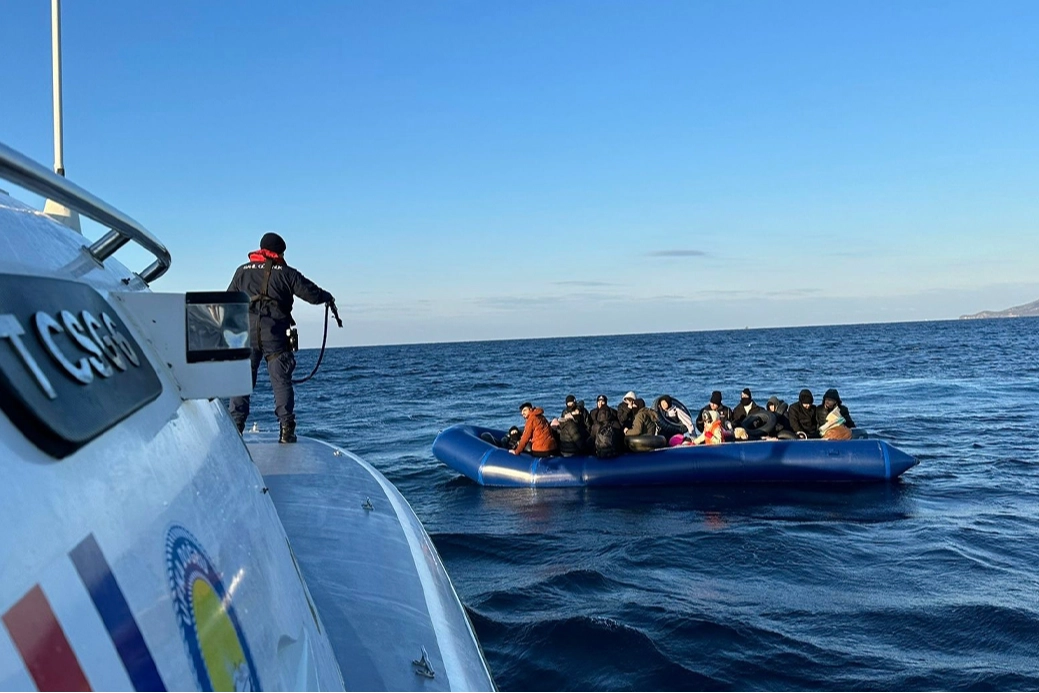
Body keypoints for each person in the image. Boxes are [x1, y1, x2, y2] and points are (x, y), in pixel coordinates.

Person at [227, 232, 337, 443]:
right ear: (279, 251)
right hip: (275, 335)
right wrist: (327, 297)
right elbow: (311, 293)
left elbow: (229, 299)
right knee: (281, 382)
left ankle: (236, 427)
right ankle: (287, 431)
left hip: (247, 334)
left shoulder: (242, 271)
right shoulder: (286, 273)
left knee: (241, 381)